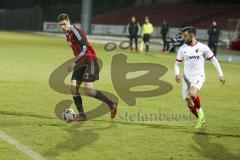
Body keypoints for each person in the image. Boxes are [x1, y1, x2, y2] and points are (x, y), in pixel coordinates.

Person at [57, 13, 117, 121]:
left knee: (88, 90)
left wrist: (74, 61)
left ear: (68, 21)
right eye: (60, 25)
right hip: (80, 63)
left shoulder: (75, 32)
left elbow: (85, 48)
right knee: (73, 89)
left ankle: (111, 104)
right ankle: (82, 115)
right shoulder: (68, 34)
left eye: (64, 24)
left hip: (90, 61)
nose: (62, 27)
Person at [175, 26, 225, 128]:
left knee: (192, 94)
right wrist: (177, 74)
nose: (184, 38)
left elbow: (213, 60)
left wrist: (221, 74)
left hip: (198, 76)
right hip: (186, 78)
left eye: (185, 36)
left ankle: (200, 111)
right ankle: (200, 118)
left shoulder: (203, 47)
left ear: (191, 35)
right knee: (189, 102)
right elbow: (177, 63)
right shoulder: (182, 49)